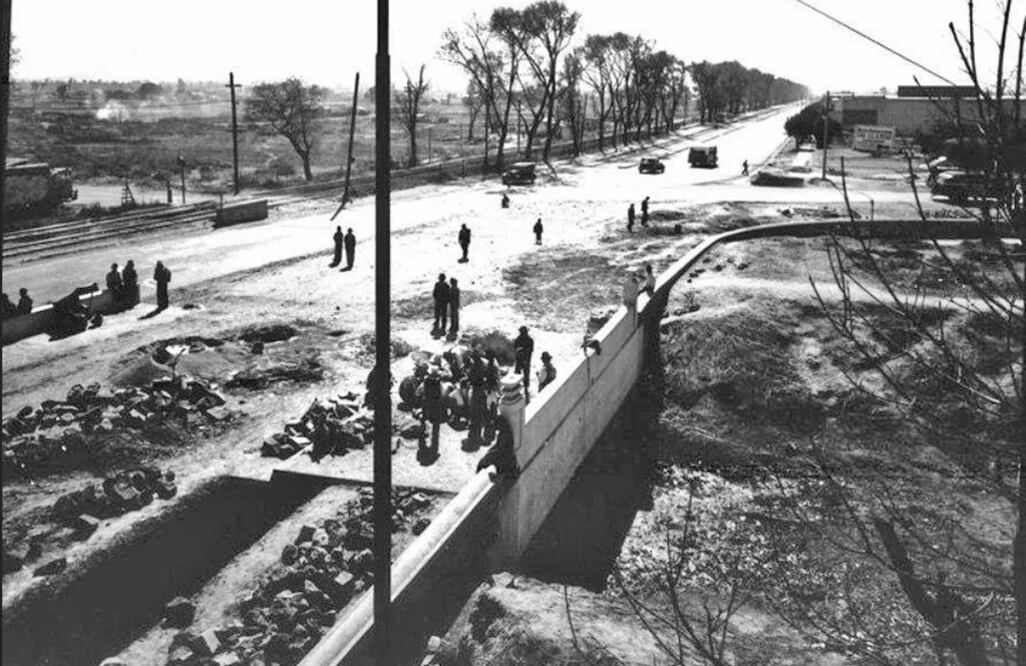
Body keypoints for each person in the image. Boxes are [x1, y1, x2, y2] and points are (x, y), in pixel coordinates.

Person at [421, 367, 444, 452]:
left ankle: (422, 433)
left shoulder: (425, 381)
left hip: (427, 402)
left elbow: (421, 390)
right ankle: (435, 445)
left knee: (424, 417)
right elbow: (442, 392)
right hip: (436, 404)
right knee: (436, 424)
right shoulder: (439, 382)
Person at [513, 325, 535, 397]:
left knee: (520, 375)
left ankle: (520, 389)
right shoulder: (529, 340)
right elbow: (516, 348)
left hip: (522, 360)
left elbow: (516, 349)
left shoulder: (520, 339)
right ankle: (524, 389)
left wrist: (522, 350)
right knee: (523, 375)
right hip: (524, 360)